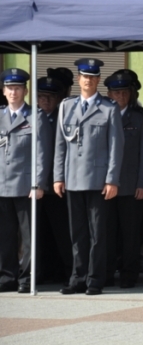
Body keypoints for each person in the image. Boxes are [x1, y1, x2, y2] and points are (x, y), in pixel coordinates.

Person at [54, 58, 124, 296]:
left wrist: (112, 179)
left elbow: (116, 147)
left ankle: (95, 279)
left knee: (97, 235)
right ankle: (78, 277)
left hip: (97, 180)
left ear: (97, 81)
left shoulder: (109, 108)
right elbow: (60, 145)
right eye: (85, 77)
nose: (88, 81)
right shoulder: (66, 106)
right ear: (78, 79)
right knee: (77, 234)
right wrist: (58, 177)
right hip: (73, 179)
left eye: (93, 77)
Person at [0, 68, 52, 293]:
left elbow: (43, 153)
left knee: (29, 236)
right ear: (3, 91)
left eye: (18, 88)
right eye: (10, 88)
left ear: (26, 90)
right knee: (5, 236)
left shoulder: (35, 117)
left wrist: (39, 183)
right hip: (2, 185)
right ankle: (7, 276)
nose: (13, 92)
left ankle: (27, 277)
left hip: (25, 186)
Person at [104, 73, 143, 289]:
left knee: (131, 235)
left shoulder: (140, 119)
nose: (120, 96)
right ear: (109, 94)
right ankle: (106, 273)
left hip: (131, 186)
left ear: (131, 94)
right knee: (106, 233)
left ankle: (129, 274)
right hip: (106, 186)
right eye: (116, 92)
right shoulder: (102, 116)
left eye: (124, 92)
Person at [36, 76, 72, 285]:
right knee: (40, 233)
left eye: (50, 97)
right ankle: (43, 271)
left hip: (60, 185)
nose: (46, 101)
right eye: (41, 96)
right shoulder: (31, 117)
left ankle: (66, 270)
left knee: (62, 232)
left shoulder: (65, 117)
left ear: (59, 98)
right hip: (36, 187)